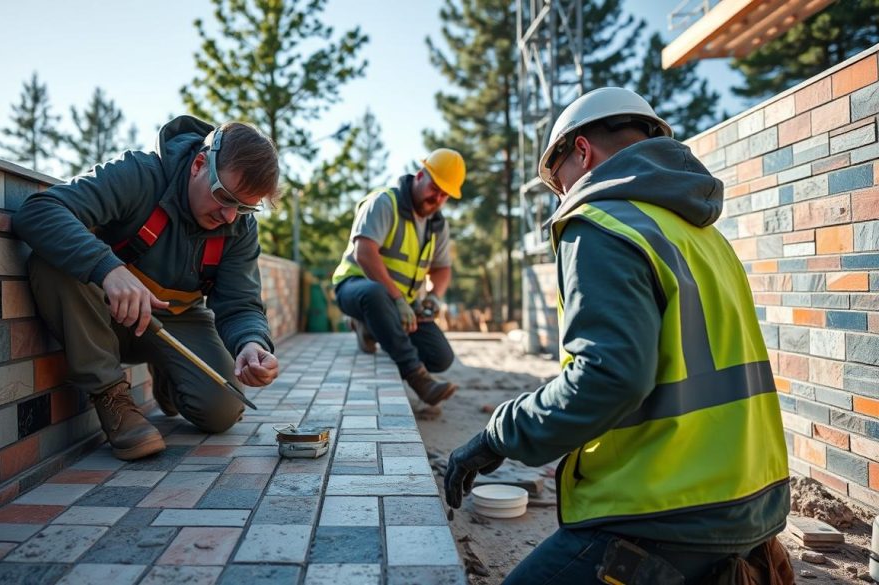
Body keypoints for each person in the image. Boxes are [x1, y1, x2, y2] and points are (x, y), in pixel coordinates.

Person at [444, 88, 792, 584]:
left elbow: (607, 379)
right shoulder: (704, 235)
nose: (561, 196)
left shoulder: (601, 222)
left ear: (581, 152)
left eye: (556, 182)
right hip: (753, 507)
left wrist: (498, 435)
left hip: (665, 513)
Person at [12, 116, 281, 461]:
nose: (230, 216)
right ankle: (113, 398)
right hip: (102, 310)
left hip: (176, 320)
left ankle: (169, 374)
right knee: (51, 261)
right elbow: (38, 211)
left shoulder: (239, 226)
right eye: (224, 198)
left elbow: (240, 303)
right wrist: (108, 268)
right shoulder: (138, 174)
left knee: (222, 410)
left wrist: (251, 342)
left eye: (244, 207)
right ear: (199, 165)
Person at [332, 149, 465, 406]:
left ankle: (371, 328)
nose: (436, 198)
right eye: (434, 188)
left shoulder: (438, 225)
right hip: (355, 288)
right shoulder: (384, 202)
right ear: (419, 176)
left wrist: (435, 297)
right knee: (375, 294)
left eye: (444, 194)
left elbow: (442, 269)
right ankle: (417, 377)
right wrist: (397, 299)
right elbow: (365, 253)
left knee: (440, 357)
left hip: (399, 303)